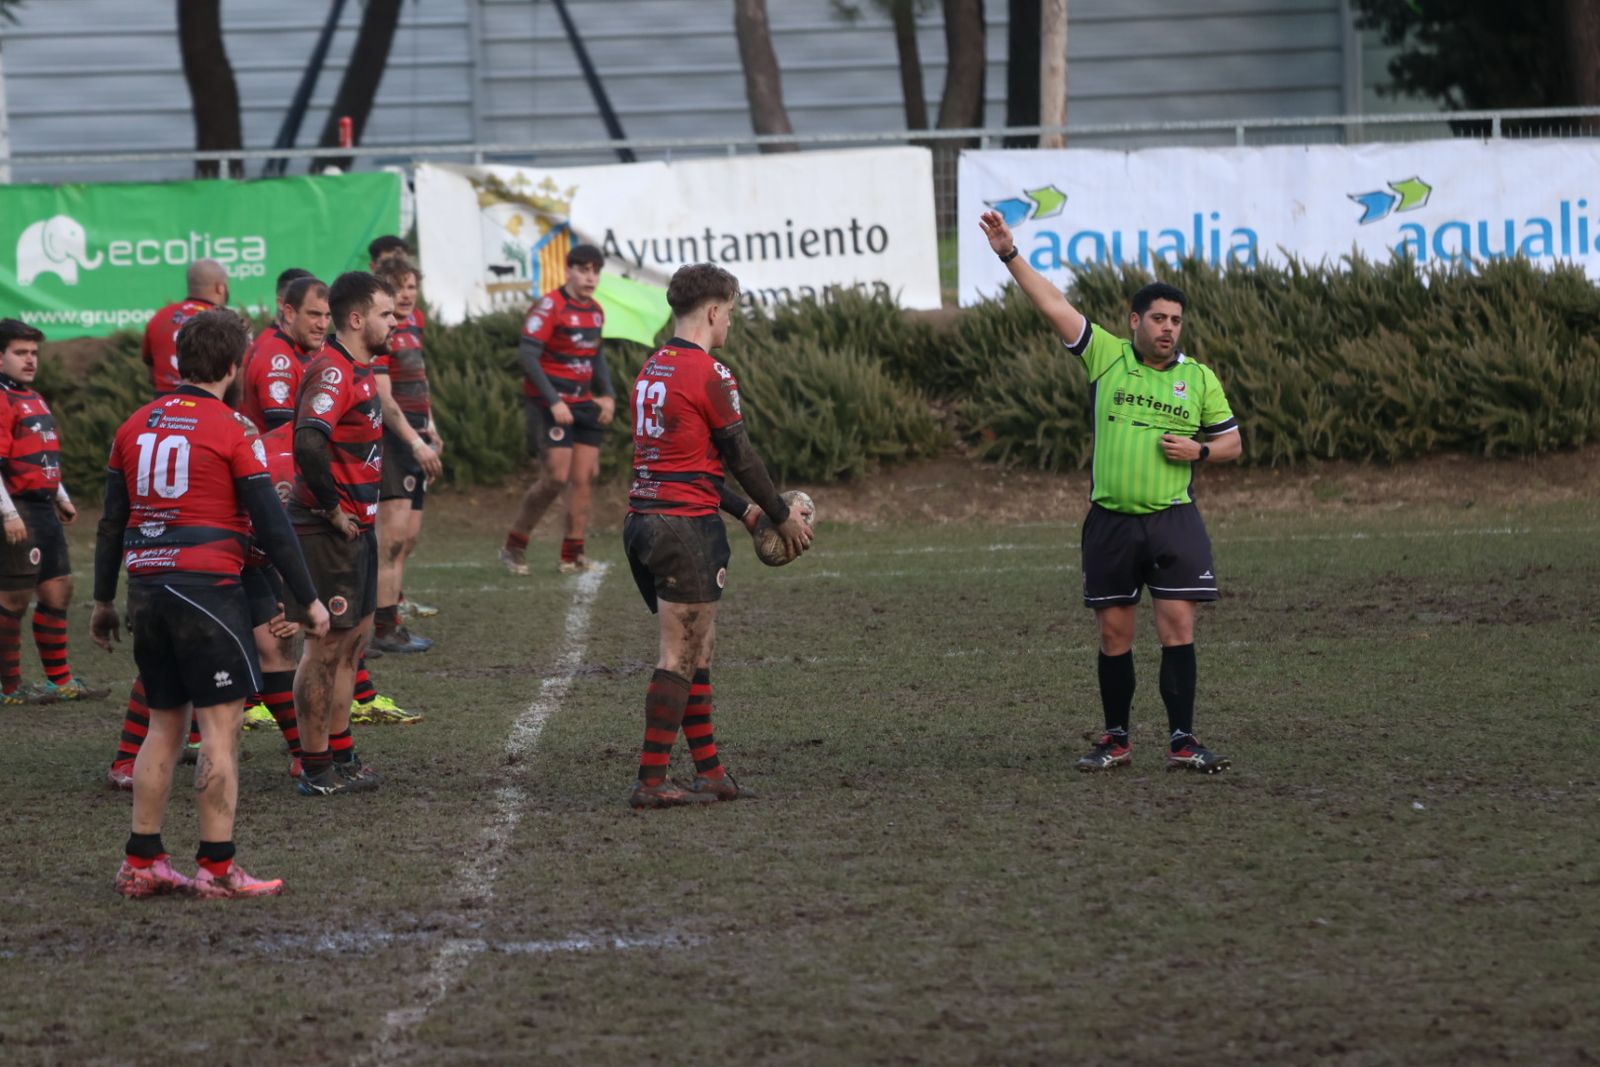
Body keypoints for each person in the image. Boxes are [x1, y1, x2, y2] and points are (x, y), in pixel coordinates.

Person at [977, 210, 1242, 774]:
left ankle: (1182, 741)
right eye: (1159, 318)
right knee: (1115, 631)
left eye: (1176, 320)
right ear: (1134, 321)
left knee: (1177, 627)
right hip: (1111, 522)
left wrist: (1198, 451)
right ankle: (1116, 740)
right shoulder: (1106, 356)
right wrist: (1008, 253)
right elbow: (1053, 305)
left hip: (1173, 520)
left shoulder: (1198, 378)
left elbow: (1232, 444)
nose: (1169, 328)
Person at [91, 308, 330, 898]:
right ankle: (218, 870)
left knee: (163, 728)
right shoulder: (230, 428)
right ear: (233, 364)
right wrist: (307, 600)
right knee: (220, 733)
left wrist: (102, 599)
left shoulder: (133, 424)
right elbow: (272, 523)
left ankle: (142, 861)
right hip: (205, 593)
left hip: (145, 589)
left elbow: (111, 523)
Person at [622, 263, 812, 809]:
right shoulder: (712, 373)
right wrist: (781, 515)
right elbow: (740, 455)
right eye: (729, 313)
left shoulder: (652, 368)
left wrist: (748, 514)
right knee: (679, 654)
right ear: (712, 311)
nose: (730, 323)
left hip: (646, 521)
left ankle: (711, 772)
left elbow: (689, 466)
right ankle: (651, 780)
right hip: (684, 530)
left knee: (697, 650)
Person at [281, 271, 393, 796]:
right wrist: (331, 509)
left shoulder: (361, 369)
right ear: (357, 319)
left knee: (351, 647)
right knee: (323, 651)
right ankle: (315, 766)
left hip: (357, 529)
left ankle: (342, 755)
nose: (394, 322)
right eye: (386, 315)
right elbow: (307, 443)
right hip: (330, 531)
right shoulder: (332, 371)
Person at [0, 319, 108, 704]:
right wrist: (8, 513)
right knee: (13, 598)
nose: (30, 360)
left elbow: (42, 454)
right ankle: (8, 687)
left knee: (58, 589)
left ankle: (59, 681)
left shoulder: (32, 396)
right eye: (20, 353)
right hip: (17, 509)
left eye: (33, 353)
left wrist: (59, 492)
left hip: (43, 507)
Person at [500, 243, 615, 576]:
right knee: (555, 478)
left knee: (584, 478)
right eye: (583, 269)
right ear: (568, 271)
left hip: (582, 403)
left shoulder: (595, 311)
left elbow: (596, 355)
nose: (590, 277)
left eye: (595, 271)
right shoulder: (550, 306)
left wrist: (607, 394)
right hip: (550, 403)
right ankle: (514, 546)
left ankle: (572, 554)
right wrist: (554, 401)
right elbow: (528, 355)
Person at [369, 256, 442, 654]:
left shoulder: (410, 326)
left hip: (414, 437)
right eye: (400, 287)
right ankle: (383, 627)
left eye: (413, 285)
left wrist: (431, 428)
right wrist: (414, 441)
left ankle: (389, 616)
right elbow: (383, 396)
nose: (408, 293)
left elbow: (420, 381)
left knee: (407, 538)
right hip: (393, 442)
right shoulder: (381, 334)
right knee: (391, 540)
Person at [238, 275, 329, 434]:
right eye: (314, 314)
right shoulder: (278, 360)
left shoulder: (300, 350)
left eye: (327, 316)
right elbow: (282, 435)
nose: (322, 325)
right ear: (289, 314)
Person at [142, 259, 230, 396]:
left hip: (164, 404)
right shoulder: (224, 321)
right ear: (220, 287)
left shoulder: (159, 317)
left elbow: (150, 371)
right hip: (207, 403)